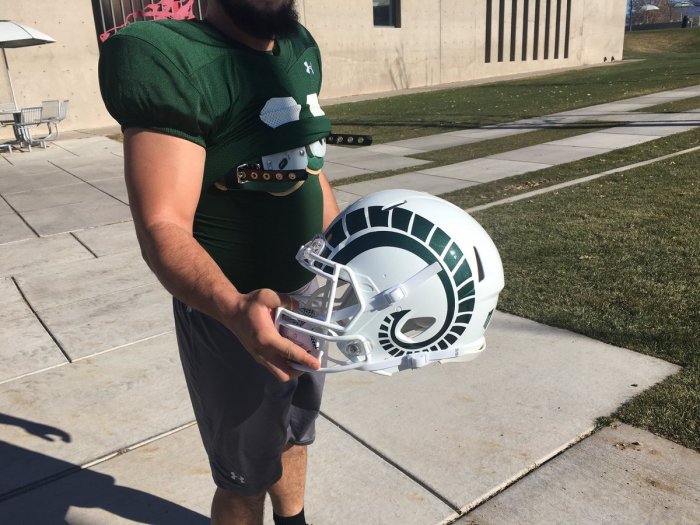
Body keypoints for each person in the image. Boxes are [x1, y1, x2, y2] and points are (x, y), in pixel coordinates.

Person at [98, 1, 339, 524]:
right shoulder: (167, 57)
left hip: (307, 297)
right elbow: (163, 225)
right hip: (231, 311)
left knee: (296, 434)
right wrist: (232, 307)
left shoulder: (298, 47)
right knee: (243, 476)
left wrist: (344, 251)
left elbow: (310, 168)